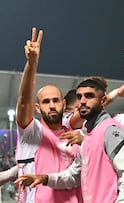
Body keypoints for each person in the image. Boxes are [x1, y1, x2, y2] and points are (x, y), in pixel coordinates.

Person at [16, 77, 124, 203]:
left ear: (103, 100)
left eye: (89, 96)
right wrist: (45, 178)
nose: (82, 101)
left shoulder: (110, 130)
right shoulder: (88, 137)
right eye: (79, 97)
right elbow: (73, 175)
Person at [15, 27, 82, 203]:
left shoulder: (75, 135)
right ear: (37, 107)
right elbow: (23, 101)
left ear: (64, 104)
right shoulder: (31, 133)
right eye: (46, 102)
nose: (51, 105)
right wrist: (32, 63)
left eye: (55, 100)